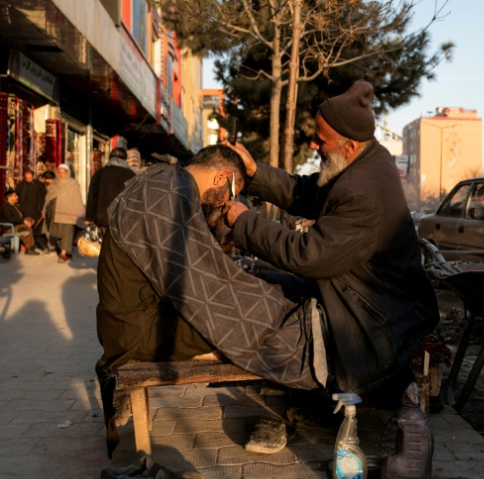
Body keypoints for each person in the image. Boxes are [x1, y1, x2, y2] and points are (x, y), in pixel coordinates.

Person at [97, 144, 330, 457]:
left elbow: (199, 270)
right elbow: (206, 286)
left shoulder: (168, 181)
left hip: (139, 316)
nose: (228, 203)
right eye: (232, 192)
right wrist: (271, 306)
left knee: (272, 289)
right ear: (222, 177)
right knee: (268, 318)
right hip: (139, 331)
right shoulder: (171, 193)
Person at [223, 80, 440, 399]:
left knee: (269, 325)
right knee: (259, 285)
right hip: (357, 293)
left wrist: (243, 221)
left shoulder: (361, 192)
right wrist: (255, 173)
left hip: (379, 319)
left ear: (348, 146)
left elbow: (307, 256)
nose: (312, 144)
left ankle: (290, 401)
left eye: (319, 139)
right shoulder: (366, 159)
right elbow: (306, 191)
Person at [85, 148, 135, 234]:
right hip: (123, 220)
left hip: (103, 218)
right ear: (125, 159)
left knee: (104, 245)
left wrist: (89, 217)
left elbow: (93, 196)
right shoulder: (132, 175)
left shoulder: (100, 173)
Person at [42, 164, 85, 263]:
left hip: (69, 213)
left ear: (67, 172)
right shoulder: (54, 183)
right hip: (55, 214)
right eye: (59, 172)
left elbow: (77, 199)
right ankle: (64, 250)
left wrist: (80, 213)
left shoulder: (72, 183)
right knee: (56, 233)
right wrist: (44, 210)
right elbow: (48, 198)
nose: (61, 175)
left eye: (63, 172)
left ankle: (63, 254)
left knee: (67, 234)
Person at [16, 168, 47, 250]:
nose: (28, 180)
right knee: (26, 228)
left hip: (36, 209)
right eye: (27, 178)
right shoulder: (21, 185)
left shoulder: (39, 185)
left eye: (30, 178)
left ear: (33, 177)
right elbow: (17, 196)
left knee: (38, 228)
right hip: (24, 210)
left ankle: (40, 244)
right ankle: (26, 245)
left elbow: (44, 196)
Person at [0, 190, 39, 254]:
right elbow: (11, 218)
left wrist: (30, 219)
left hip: (17, 225)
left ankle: (29, 244)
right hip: (9, 228)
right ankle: (29, 248)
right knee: (26, 227)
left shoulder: (16, 206)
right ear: (9, 198)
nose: (17, 197)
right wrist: (24, 221)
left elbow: (23, 215)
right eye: (15, 196)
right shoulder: (5, 207)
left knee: (29, 222)